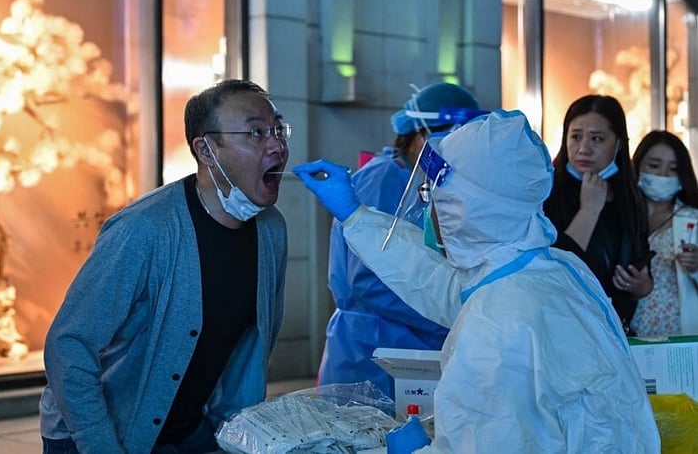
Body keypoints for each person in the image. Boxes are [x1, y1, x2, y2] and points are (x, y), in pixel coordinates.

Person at [295, 110, 660, 452]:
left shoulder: (498, 323)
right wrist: (356, 217)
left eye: (434, 197)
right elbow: (440, 284)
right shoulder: (547, 269)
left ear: (462, 210)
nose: (431, 209)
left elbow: (484, 443)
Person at [39, 79, 290, 454]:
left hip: (192, 431)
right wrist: (100, 445)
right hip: (98, 435)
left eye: (276, 129)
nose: (277, 145)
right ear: (206, 150)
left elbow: (252, 347)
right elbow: (69, 344)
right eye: (255, 132)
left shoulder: (271, 229)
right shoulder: (145, 229)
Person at [319, 82, 483, 398]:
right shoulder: (383, 178)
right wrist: (448, 316)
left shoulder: (429, 181)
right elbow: (368, 280)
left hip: (417, 349)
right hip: (373, 350)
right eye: (453, 138)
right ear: (421, 135)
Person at [543, 94, 654, 335]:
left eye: (597, 139)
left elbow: (641, 259)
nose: (583, 149)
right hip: (566, 329)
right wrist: (589, 210)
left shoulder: (631, 197)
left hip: (616, 331)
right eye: (575, 137)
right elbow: (555, 265)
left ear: (618, 144)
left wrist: (642, 285)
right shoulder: (547, 191)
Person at [630, 130, 698, 336]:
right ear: (638, 166)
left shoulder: (693, 219)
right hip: (628, 333)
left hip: (679, 333)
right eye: (654, 165)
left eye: (673, 169)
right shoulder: (621, 218)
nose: (662, 175)